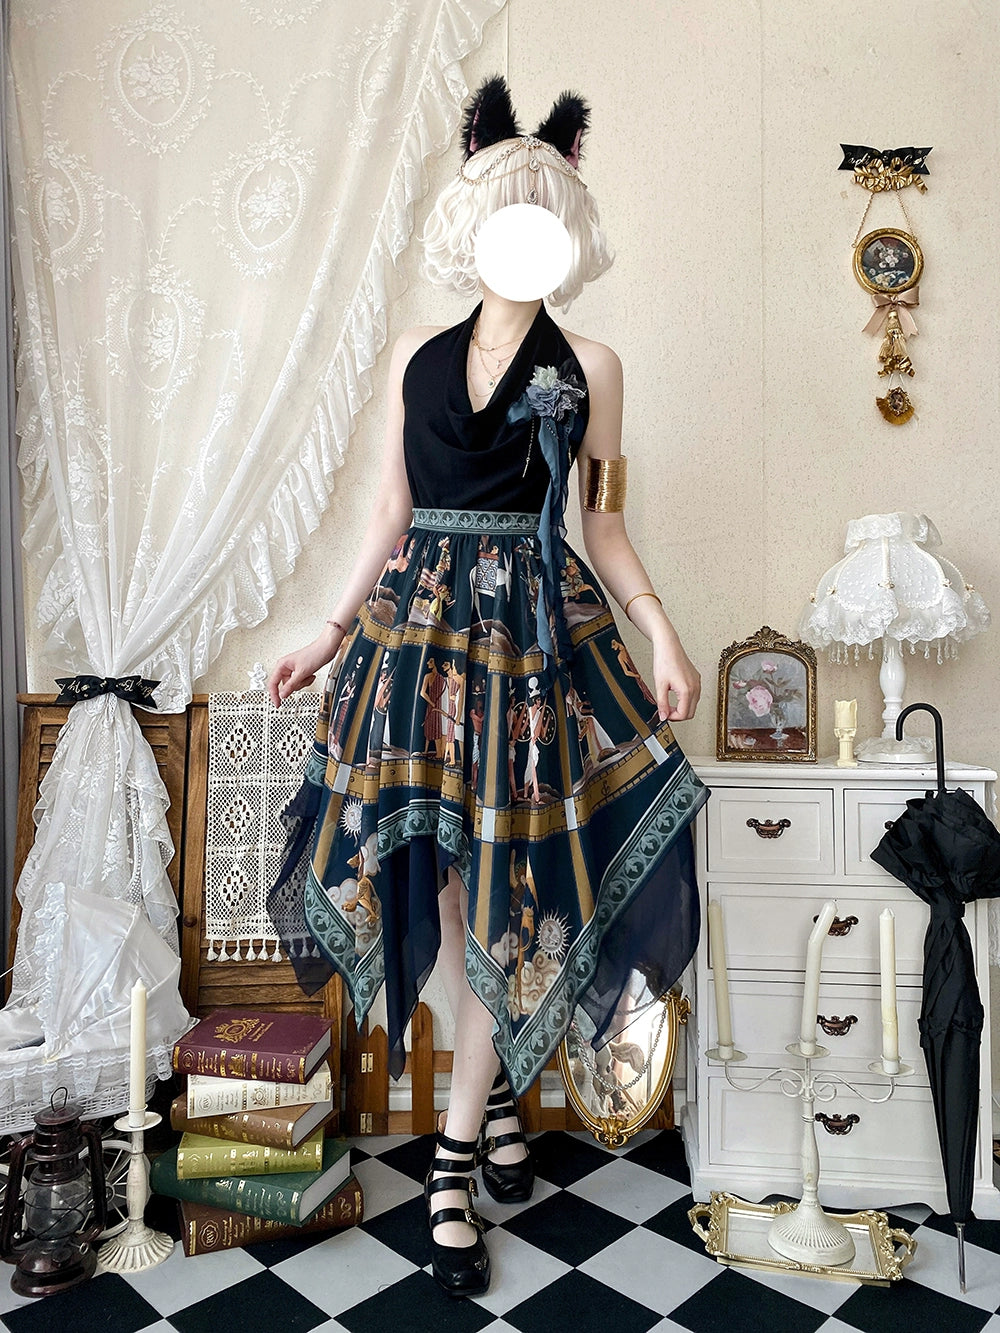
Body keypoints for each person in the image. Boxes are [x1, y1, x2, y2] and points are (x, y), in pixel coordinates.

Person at [267, 75, 706, 1299]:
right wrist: (327, 630)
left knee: (510, 892)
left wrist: (662, 637)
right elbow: (388, 511)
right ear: (474, 220)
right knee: (451, 894)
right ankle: (498, 1091)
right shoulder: (413, 359)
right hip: (415, 648)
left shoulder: (594, 366)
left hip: (531, 648)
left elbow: (602, 528)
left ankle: (451, 1166)